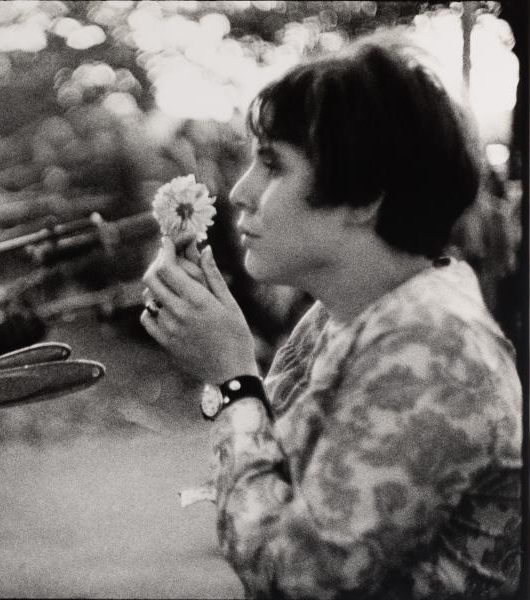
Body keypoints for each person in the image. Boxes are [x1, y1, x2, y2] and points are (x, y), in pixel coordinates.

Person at [140, 37, 522, 599]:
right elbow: (270, 466)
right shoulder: (343, 315)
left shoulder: (432, 346)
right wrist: (221, 359)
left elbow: (298, 576)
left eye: (272, 165)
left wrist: (231, 381)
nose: (241, 192)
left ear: (365, 196)